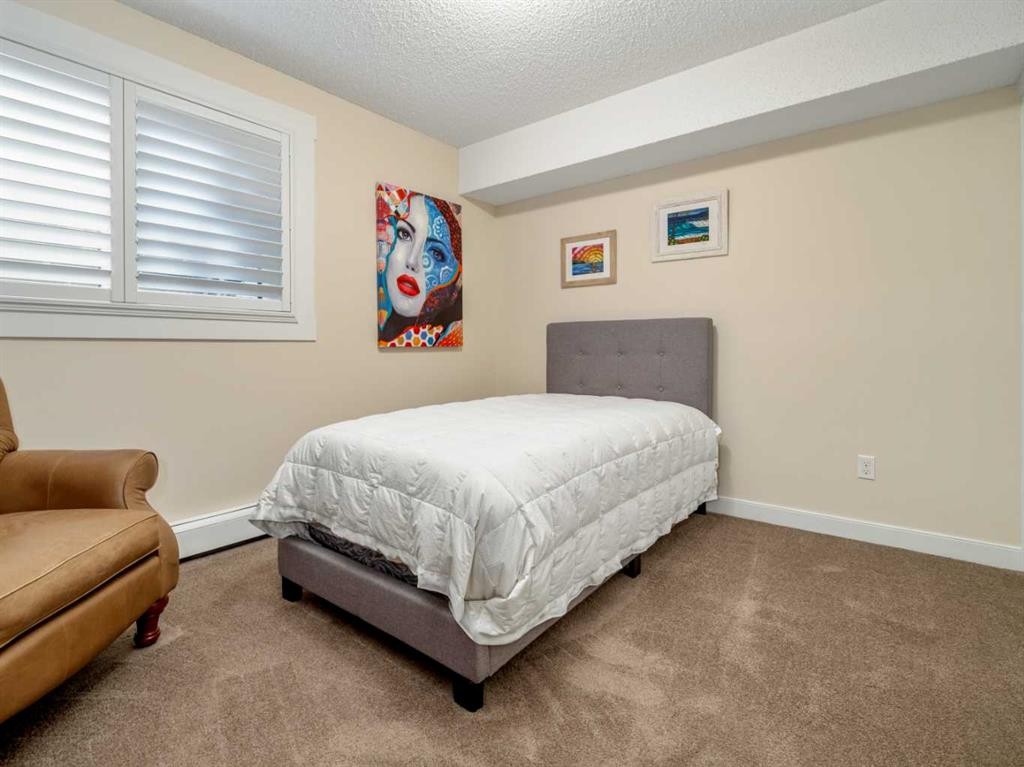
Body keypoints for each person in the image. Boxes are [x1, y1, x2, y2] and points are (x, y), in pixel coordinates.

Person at [376, 184, 463, 347]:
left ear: (458, 280)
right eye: (404, 234)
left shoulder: (450, 338)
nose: (411, 261)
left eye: (437, 253)